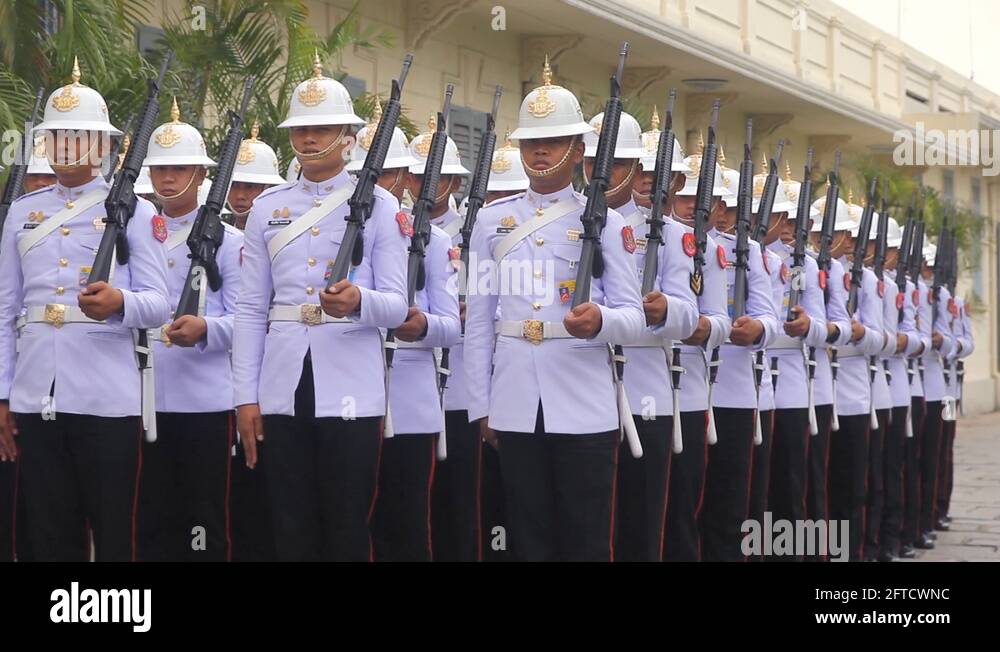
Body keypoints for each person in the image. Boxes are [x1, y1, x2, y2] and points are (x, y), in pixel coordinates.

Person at [463, 58, 645, 561]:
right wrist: (482, 404)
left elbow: (633, 316)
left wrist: (601, 320)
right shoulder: (490, 221)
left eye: (551, 141)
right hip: (516, 398)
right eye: (529, 142)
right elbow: (479, 321)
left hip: (583, 400)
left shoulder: (603, 221)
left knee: (585, 536)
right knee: (528, 535)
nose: (538, 150)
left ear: (579, 150)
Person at [232, 53, 408, 561]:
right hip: (283, 381)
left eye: (322, 128)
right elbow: (249, 310)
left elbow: (397, 305)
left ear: (348, 136)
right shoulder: (268, 208)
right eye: (302, 130)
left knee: (347, 520)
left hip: (349, 382)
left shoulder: (381, 206)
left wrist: (359, 301)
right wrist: (247, 396)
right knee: (289, 520)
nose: (309, 139)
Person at [0, 57, 170, 561]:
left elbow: (157, 304)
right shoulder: (23, 212)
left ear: (102, 145)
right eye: (56, 136)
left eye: (78, 136)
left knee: (114, 527)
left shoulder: (135, 211)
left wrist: (120, 302)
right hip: (37, 390)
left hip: (105, 394)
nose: (65, 146)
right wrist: (4, 395)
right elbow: (7, 309)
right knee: (50, 527)